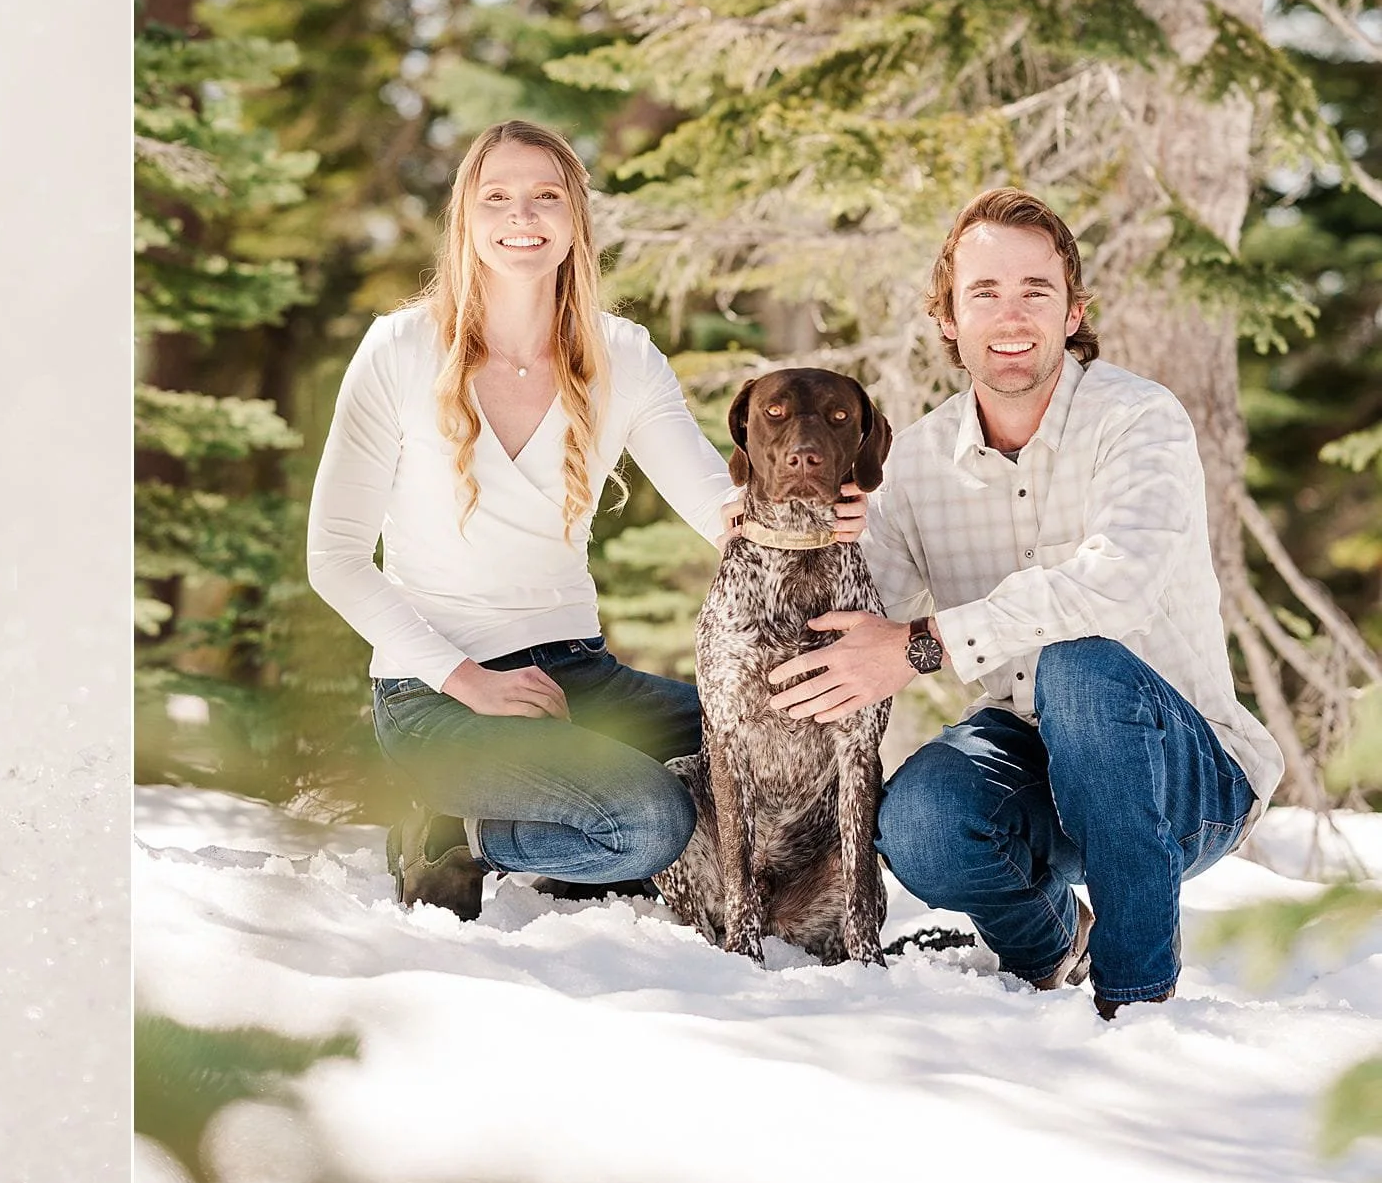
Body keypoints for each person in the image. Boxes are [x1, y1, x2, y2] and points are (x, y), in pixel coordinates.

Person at [306, 119, 864, 919]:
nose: (521, 216)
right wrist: (468, 680)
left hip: (581, 675)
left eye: (546, 196)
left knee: (780, 741)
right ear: (465, 216)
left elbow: (724, 510)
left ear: (575, 218)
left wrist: (819, 506)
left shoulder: (622, 356)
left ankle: (617, 852)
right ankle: (455, 833)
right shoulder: (399, 348)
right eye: (496, 197)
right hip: (434, 691)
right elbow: (333, 557)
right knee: (650, 820)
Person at [764, 187, 1285, 1015]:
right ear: (948, 318)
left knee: (1079, 667)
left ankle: (1136, 1002)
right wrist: (787, 535)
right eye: (984, 293)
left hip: (1183, 773)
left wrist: (924, 643)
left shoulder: (1139, 419)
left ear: (1073, 311)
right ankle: (1051, 943)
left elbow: (1114, 584)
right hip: (1031, 759)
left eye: (1035, 291)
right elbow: (854, 622)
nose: (1011, 316)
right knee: (922, 819)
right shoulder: (915, 463)